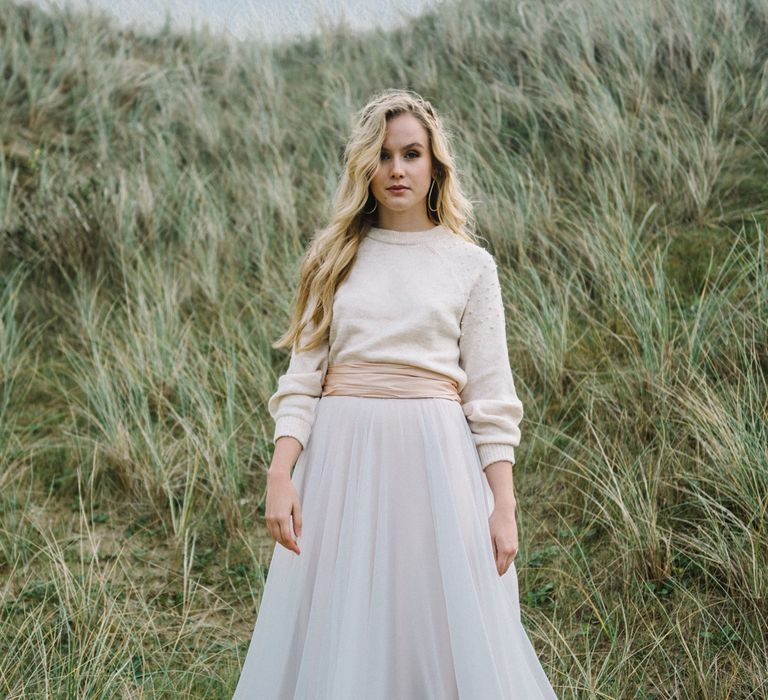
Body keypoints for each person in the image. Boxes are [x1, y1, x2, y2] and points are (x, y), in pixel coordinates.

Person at [232, 88, 558, 699]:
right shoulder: (333, 259)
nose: (397, 169)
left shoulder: (470, 266)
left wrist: (504, 504)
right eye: (383, 156)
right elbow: (302, 379)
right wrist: (282, 474)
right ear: (364, 166)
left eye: (412, 154)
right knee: (343, 612)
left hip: (437, 465)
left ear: (435, 164)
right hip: (341, 465)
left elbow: (491, 400)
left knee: (434, 614)